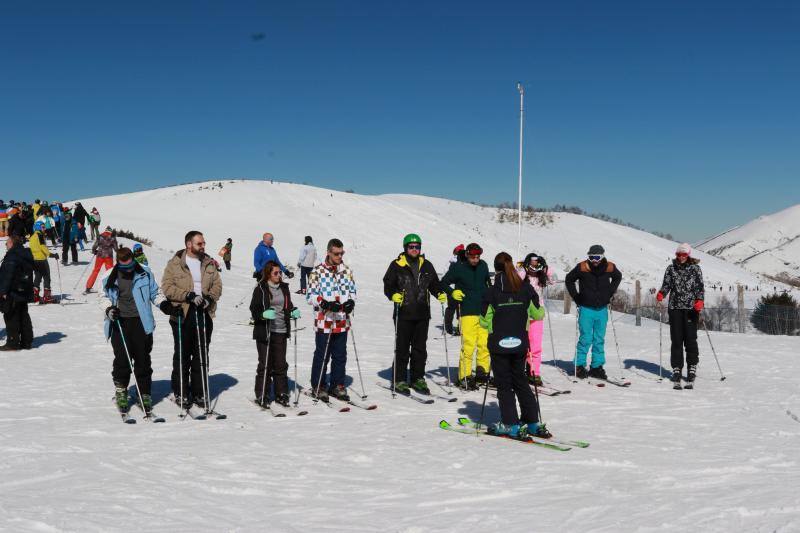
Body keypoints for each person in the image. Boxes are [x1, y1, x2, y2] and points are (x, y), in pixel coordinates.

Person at [479, 252, 550, 439]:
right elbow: (538, 313)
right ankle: (532, 421)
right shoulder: (526, 288)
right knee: (520, 381)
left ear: (496, 269)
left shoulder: (491, 292)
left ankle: (511, 424)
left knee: (504, 384)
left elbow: (484, 321)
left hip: (499, 345)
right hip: (520, 343)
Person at [100, 247, 166, 416]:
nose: (128, 270)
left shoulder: (144, 273)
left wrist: (164, 304)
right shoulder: (109, 276)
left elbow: (154, 293)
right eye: (124, 268)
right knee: (122, 359)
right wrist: (108, 309)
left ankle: (144, 393)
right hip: (119, 322)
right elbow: (103, 296)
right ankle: (121, 390)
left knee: (143, 359)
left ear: (133, 260)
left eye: (130, 266)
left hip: (142, 323)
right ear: (118, 263)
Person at [161, 231, 223, 409]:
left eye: (203, 243)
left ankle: (199, 391)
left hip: (204, 312)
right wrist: (187, 295)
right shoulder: (175, 264)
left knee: (201, 353)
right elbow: (167, 287)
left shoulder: (208, 262)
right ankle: (181, 391)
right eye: (199, 243)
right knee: (182, 354)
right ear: (189, 244)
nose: (203, 246)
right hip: (183, 313)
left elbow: (218, 285)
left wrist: (210, 298)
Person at [382, 233, 447, 394]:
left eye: (417, 247)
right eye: (411, 247)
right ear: (405, 248)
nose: (414, 249)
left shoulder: (427, 265)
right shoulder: (396, 265)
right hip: (403, 313)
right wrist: (393, 295)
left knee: (420, 349)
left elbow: (434, 284)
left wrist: (439, 293)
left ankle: (418, 378)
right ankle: (400, 379)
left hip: (422, 313)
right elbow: (388, 284)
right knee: (402, 348)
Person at [306, 238, 357, 401]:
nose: (339, 256)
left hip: (342, 319)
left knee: (340, 354)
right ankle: (318, 385)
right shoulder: (317, 271)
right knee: (322, 354)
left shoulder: (346, 270)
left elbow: (353, 291)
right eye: (336, 253)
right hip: (324, 320)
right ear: (328, 252)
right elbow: (310, 295)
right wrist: (324, 302)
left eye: (341, 253)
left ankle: (337, 384)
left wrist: (351, 301)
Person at [565, 244, 622, 380]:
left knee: (599, 339)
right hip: (586, 309)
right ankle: (579, 366)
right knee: (585, 338)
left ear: (602, 256)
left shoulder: (609, 267)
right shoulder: (582, 267)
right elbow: (569, 279)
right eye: (591, 257)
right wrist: (576, 297)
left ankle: (596, 367)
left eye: (597, 257)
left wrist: (610, 291)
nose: (594, 260)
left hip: (602, 309)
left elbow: (618, 277)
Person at [441, 242, 491, 390]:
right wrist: (452, 293)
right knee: (469, 345)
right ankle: (464, 375)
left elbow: (487, 283)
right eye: (473, 256)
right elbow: (443, 282)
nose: (476, 259)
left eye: (478, 256)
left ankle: (482, 372)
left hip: (483, 311)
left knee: (484, 344)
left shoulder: (484, 266)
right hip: (467, 311)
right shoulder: (458, 268)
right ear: (467, 254)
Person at [250, 261, 301, 406]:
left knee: (280, 364)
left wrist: (292, 311)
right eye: (276, 273)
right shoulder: (261, 288)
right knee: (265, 364)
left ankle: (281, 392)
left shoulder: (284, 288)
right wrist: (262, 315)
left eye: (280, 273)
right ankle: (262, 394)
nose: (279, 275)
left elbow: (287, 305)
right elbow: (254, 309)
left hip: (281, 330)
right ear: (268, 274)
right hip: (265, 331)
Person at [657, 243, 705, 385]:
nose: (681, 257)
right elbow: (667, 285)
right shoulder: (671, 268)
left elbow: (699, 287)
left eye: (684, 255)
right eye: (679, 254)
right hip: (675, 308)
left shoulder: (695, 269)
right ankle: (677, 368)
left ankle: (692, 367)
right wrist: (662, 293)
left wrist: (700, 300)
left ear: (688, 255)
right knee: (676, 340)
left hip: (691, 309)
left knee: (690, 339)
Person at [517, 253, 555, 386]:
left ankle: (534, 372)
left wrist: (547, 269)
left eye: (537, 263)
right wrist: (522, 269)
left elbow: (552, 281)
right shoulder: (523, 274)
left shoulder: (541, 276)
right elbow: (515, 281)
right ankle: (519, 371)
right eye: (532, 263)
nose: (534, 266)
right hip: (522, 311)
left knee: (535, 344)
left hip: (537, 312)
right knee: (521, 343)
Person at [0, 235, 35, 351]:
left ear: (13, 243)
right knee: (23, 315)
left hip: (13, 291)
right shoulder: (25, 254)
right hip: (24, 290)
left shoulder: (12, 256)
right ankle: (26, 342)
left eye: (7, 242)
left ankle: (12, 342)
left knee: (11, 316)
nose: (6, 245)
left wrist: (3, 291)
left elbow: (8, 275)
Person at [29, 222, 58, 304]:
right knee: (46, 277)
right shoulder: (39, 235)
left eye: (44, 227)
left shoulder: (32, 236)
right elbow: (42, 247)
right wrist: (51, 254)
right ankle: (47, 297)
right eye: (42, 227)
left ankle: (35, 296)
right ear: (38, 228)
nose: (44, 228)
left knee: (38, 276)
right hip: (42, 260)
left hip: (35, 260)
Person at [85, 226, 118, 293]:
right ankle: (110, 286)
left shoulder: (100, 236)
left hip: (100, 255)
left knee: (95, 271)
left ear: (105, 230)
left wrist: (94, 251)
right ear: (110, 231)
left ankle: (88, 287)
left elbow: (95, 246)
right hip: (108, 256)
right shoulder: (113, 237)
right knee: (109, 271)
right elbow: (116, 249)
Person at [444, 244, 465, 335]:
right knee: (458, 309)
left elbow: (444, 276)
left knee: (452, 309)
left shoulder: (450, 262)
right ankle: (459, 327)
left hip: (451, 289)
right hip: (454, 289)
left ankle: (449, 327)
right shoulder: (456, 262)